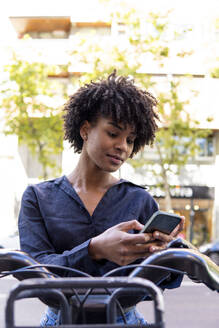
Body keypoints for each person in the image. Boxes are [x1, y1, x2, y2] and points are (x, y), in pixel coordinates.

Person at [18, 72, 184, 326]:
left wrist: (169, 255)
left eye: (130, 140)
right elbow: (35, 275)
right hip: (61, 320)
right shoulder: (38, 197)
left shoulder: (140, 200)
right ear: (85, 130)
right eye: (113, 133)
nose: (123, 147)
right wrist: (93, 249)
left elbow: (157, 284)